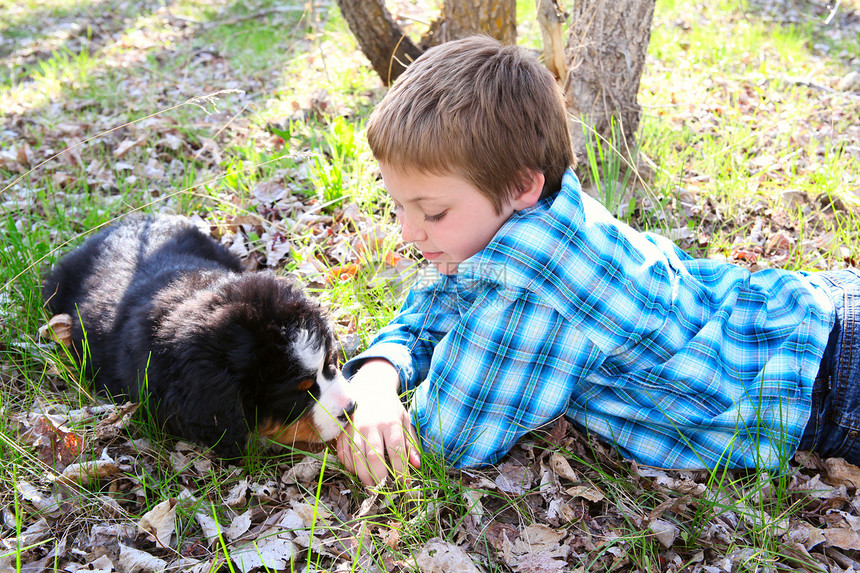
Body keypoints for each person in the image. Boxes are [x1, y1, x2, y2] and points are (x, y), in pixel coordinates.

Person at [335, 35, 860, 487]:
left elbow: (446, 440)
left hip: (828, 384)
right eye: (398, 206)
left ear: (520, 185)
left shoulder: (536, 283)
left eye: (432, 211)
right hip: (807, 310)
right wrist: (377, 378)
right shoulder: (534, 208)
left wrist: (362, 416)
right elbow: (432, 304)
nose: (407, 232)